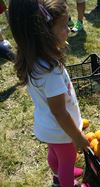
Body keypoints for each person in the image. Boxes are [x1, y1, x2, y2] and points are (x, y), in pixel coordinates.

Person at [8, 0, 90, 186]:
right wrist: (76, 136)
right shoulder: (50, 72)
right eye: (63, 26)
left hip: (47, 128)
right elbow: (60, 112)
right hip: (61, 130)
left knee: (55, 153)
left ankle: (58, 174)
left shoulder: (33, 58)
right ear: (45, 34)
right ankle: (66, 180)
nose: (68, 30)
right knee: (68, 160)